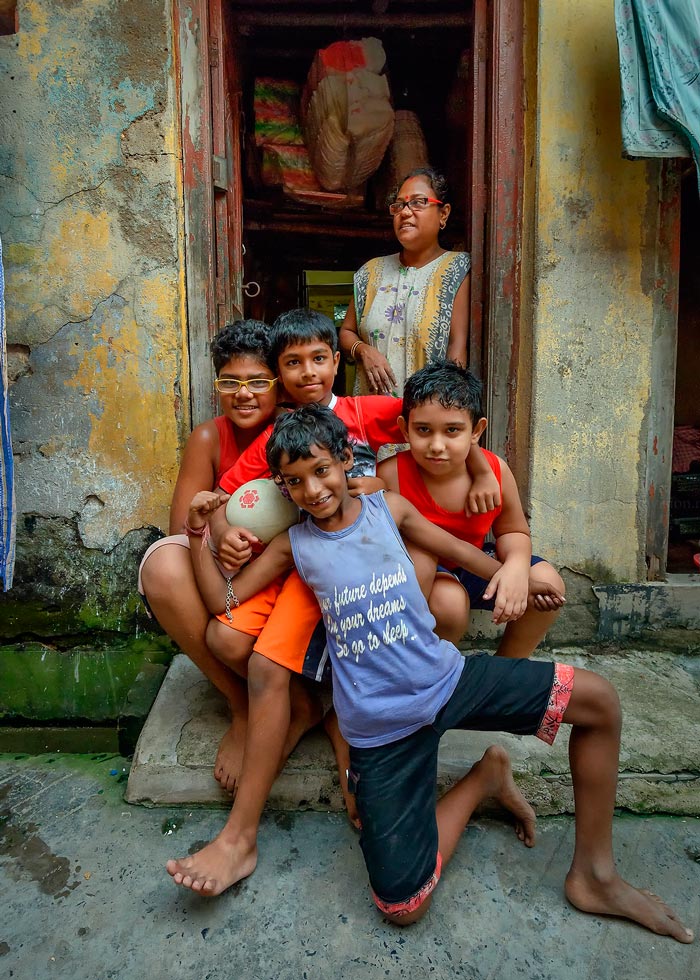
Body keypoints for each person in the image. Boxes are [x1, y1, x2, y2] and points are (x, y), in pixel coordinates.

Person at [169, 406, 693, 945]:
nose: (313, 490)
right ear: (282, 487)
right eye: (294, 482)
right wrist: (195, 534)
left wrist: (519, 576)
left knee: (600, 701)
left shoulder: (387, 509)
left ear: (346, 460)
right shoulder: (294, 545)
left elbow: (459, 551)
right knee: (402, 905)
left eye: (321, 471)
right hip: (380, 729)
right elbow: (223, 599)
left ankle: (595, 875)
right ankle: (486, 778)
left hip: (450, 683)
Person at [164, 308, 522, 894]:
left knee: (411, 603)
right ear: (280, 376)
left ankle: (265, 806)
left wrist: (488, 484)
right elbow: (225, 505)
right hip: (306, 564)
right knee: (242, 648)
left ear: (338, 360)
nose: (307, 373)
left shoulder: (362, 414)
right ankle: (301, 750)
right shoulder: (280, 447)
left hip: (364, 575)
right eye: (291, 364)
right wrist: (215, 529)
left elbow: (436, 420)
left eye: (319, 359)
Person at [138, 319, 298, 793]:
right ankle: (240, 704)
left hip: (288, 573)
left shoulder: (295, 429)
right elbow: (180, 528)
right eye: (230, 382)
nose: (243, 394)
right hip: (227, 577)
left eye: (256, 382)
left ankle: (304, 702)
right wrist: (219, 540)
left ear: (278, 385)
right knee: (163, 564)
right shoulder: (209, 439)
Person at [378, 360, 566, 653]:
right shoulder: (391, 475)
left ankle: (507, 668)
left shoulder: (496, 471)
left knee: (548, 583)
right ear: (405, 429)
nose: (437, 445)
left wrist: (516, 569)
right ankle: (440, 671)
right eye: (423, 430)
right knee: (449, 604)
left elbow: (513, 530)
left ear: (476, 431)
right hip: (428, 576)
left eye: (452, 430)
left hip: (479, 565)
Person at [338, 167, 470, 396]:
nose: (405, 212)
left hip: (425, 417)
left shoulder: (455, 268)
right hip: (371, 418)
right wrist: (363, 351)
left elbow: (456, 348)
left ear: (443, 213)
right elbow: (346, 331)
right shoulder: (371, 272)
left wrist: (441, 410)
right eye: (399, 205)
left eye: (418, 202)